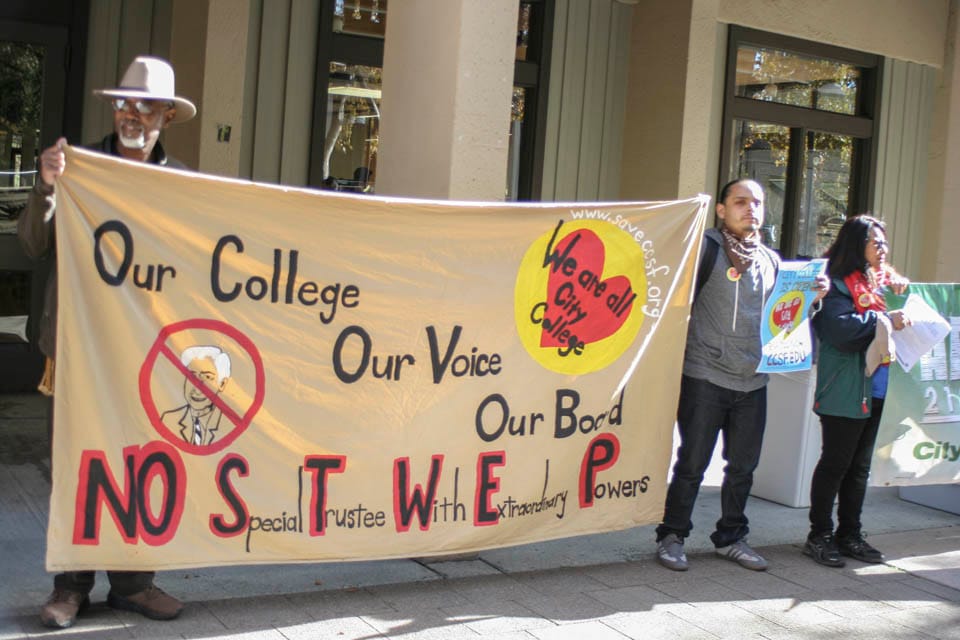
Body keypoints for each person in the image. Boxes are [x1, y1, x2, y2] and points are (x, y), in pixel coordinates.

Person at [18, 55, 195, 629]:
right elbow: (31, 244)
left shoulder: (183, 185)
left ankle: (134, 585)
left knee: (143, 467)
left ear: (166, 116)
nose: (133, 115)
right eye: (124, 103)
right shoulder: (76, 167)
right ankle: (70, 586)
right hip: (75, 350)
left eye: (146, 106)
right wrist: (47, 188)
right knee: (77, 465)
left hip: (148, 354)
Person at [654, 178, 828, 572]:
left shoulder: (771, 260)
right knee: (692, 464)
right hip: (704, 375)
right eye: (740, 201)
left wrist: (812, 299)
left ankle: (731, 538)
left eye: (757, 203)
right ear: (721, 209)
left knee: (743, 468)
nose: (750, 209)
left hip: (754, 381)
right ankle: (672, 536)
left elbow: (782, 322)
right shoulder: (705, 250)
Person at [804, 215, 909, 567]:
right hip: (844, 389)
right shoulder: (834, 284)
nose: (883, 249)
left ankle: (850, 534)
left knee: (860, 467)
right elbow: (841, 332)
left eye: (884, 243)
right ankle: (819, 535)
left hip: (877, 386)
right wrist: (885, 321)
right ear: (856, 245)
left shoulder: (878, 283)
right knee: (835, 464)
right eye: (875, 243)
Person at [162, 346, 232, 446]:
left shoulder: (229, 428)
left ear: (222, 384)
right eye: (192, 376)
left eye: (208, 377)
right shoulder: (168, 419)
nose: (197, 387)